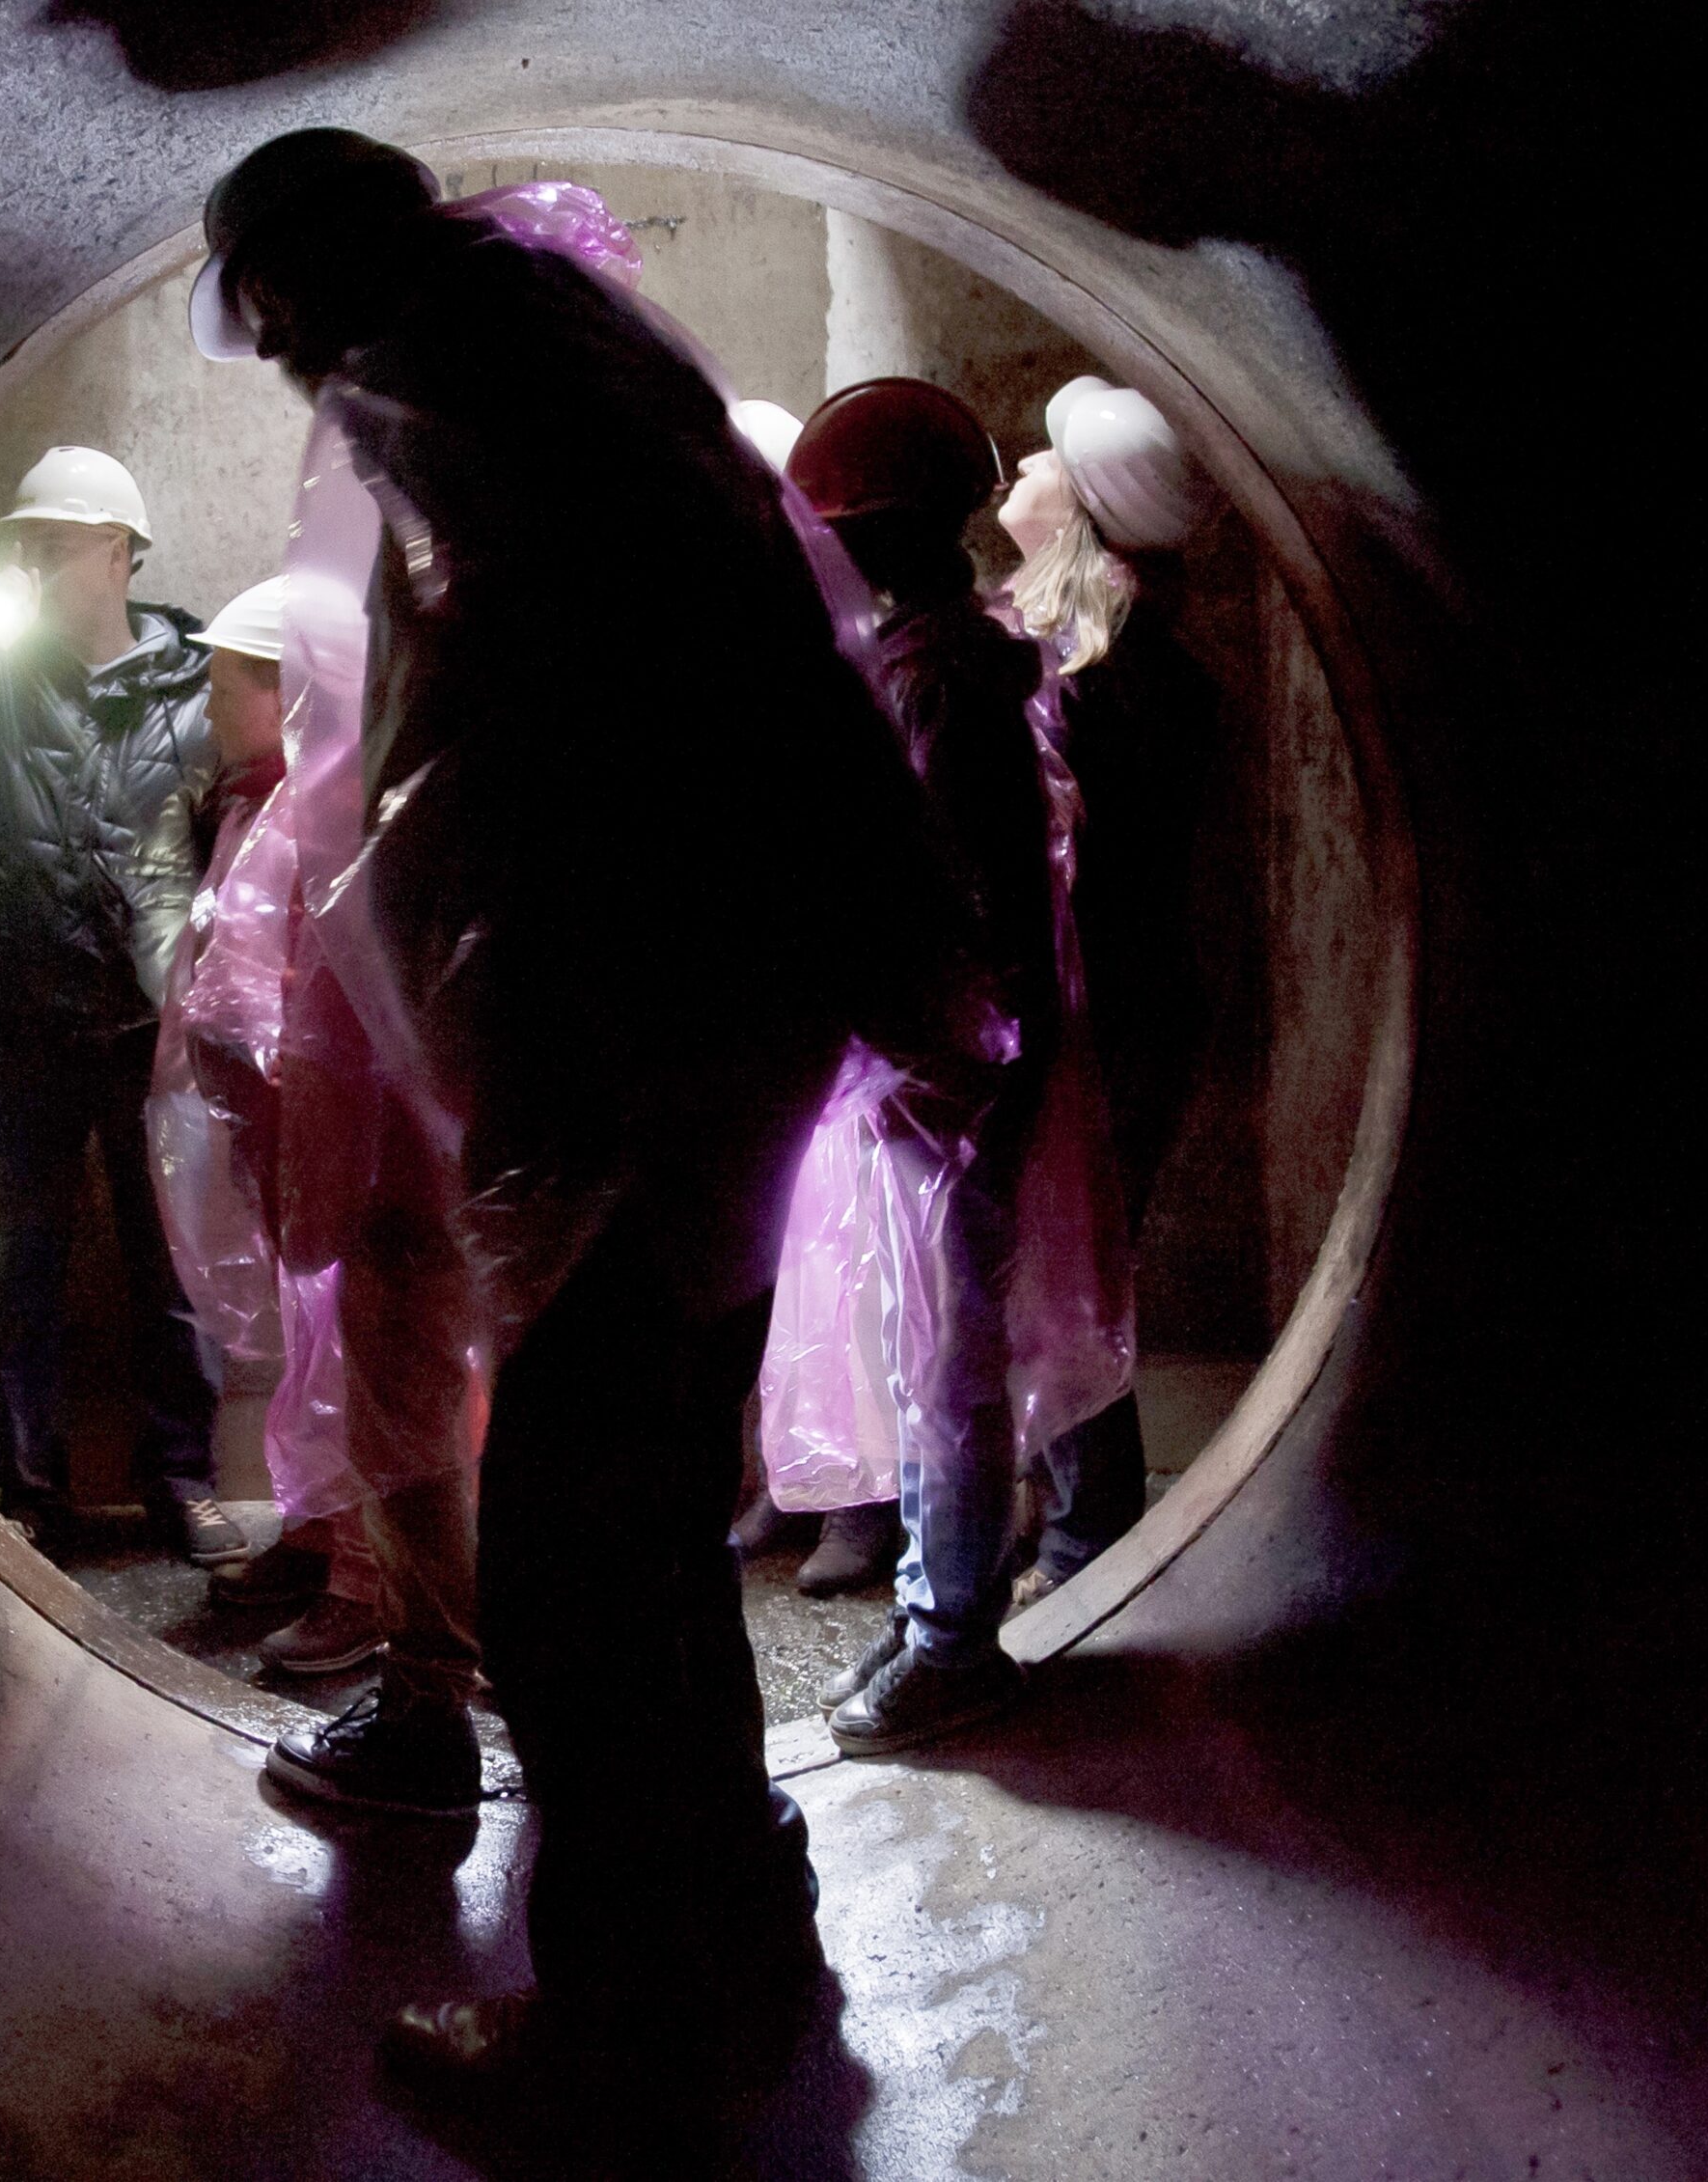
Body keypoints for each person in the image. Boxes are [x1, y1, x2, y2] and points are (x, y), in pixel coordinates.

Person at [191, 132, 956, 2123]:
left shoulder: (475, 388)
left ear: (324, 281)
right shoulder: (569, 352)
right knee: (643, 1534)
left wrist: (504, 1042)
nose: (293, 378)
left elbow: (542, 754)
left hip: (644, 1037)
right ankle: (740, 1924)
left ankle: (623, 2039)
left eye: (282, 333)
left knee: (571, 1566)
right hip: (726, 1019)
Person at [0, 447, 241, 1565]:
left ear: (122, 552)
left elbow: (248, 827)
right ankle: (29, 1492)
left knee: (170, 1264)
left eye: (54, 545)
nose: (29, 565)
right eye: (20, 546)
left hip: (153, 1030)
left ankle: (182, 1479)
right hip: (19, 1022)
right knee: (19, 1266)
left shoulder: (200, 679)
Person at [148, 576, 484, 1811]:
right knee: (481, 1423)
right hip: (490, 1177)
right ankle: (504, 1670)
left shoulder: (325, 809)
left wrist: (301, 1182)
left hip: (395, 1189)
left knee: (401, 1433)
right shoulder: (453, 774)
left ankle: (425, 1696)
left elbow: (253, 1025)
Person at [783, 378, 1079, 1754]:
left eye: (838, 528)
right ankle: (932, 1601)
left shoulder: (941, 676)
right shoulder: (937, 653)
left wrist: (931, 1049)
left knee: (949, 1358)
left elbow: (955, 896)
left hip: (950, 1069)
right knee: (922, 1348)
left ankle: (955, 1637)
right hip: (946, 1061)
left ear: (884, 533)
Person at [991, 375, 1216, 1611]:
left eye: (1046, 453)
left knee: (1072, 1272)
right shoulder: (1097, 659)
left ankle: (1087, 1543)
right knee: (1058, 1267)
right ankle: (1062, 1518)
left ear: (1077, 504)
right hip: (1109, 1002)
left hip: (1103, 1012)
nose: (1020, 460)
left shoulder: (1099, 680)